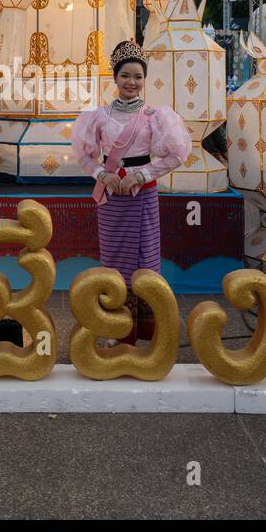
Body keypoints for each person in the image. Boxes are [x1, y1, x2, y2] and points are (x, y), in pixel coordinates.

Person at [70, 41, 191, 344]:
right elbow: (83, 156)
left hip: (143, 194)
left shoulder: (155, 116)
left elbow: (177, 155)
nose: (132, 82)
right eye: (125, 76)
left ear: (144, 79)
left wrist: (142, 174)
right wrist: (103, 174)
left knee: (146, 257)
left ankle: (147, 327)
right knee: (113, 257)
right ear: (115, 78)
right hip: (111, 197)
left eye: (138, 76)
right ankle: (117, 327)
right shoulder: (98, 116)